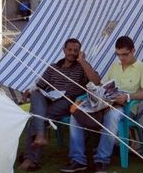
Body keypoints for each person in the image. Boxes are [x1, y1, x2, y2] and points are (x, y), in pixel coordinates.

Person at [61, 36, 143, 173]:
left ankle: (101, 160)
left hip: (126, 108)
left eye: (125, 54)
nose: (121, 58)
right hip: (105, 104)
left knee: (113, 115)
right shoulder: (115, 66)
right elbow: (103, 85)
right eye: (118, 54)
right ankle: (78, 160)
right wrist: (95, 93)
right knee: (76, 113)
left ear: (133, 51)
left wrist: (127, 96)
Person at [18, 38, 100, 171]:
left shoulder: (81, 67)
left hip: (68, 101)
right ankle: (38, 140)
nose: (72, 53)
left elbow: (96, 82)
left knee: (36, 118)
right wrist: (28, 92)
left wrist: (83, 61)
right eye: (70, 50)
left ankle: (30, 158)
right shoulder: (53, 68)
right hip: (51, 100)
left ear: (80, 52)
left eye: (76, 50)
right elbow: (39, 85)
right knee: (36, 94)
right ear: (64, 50)